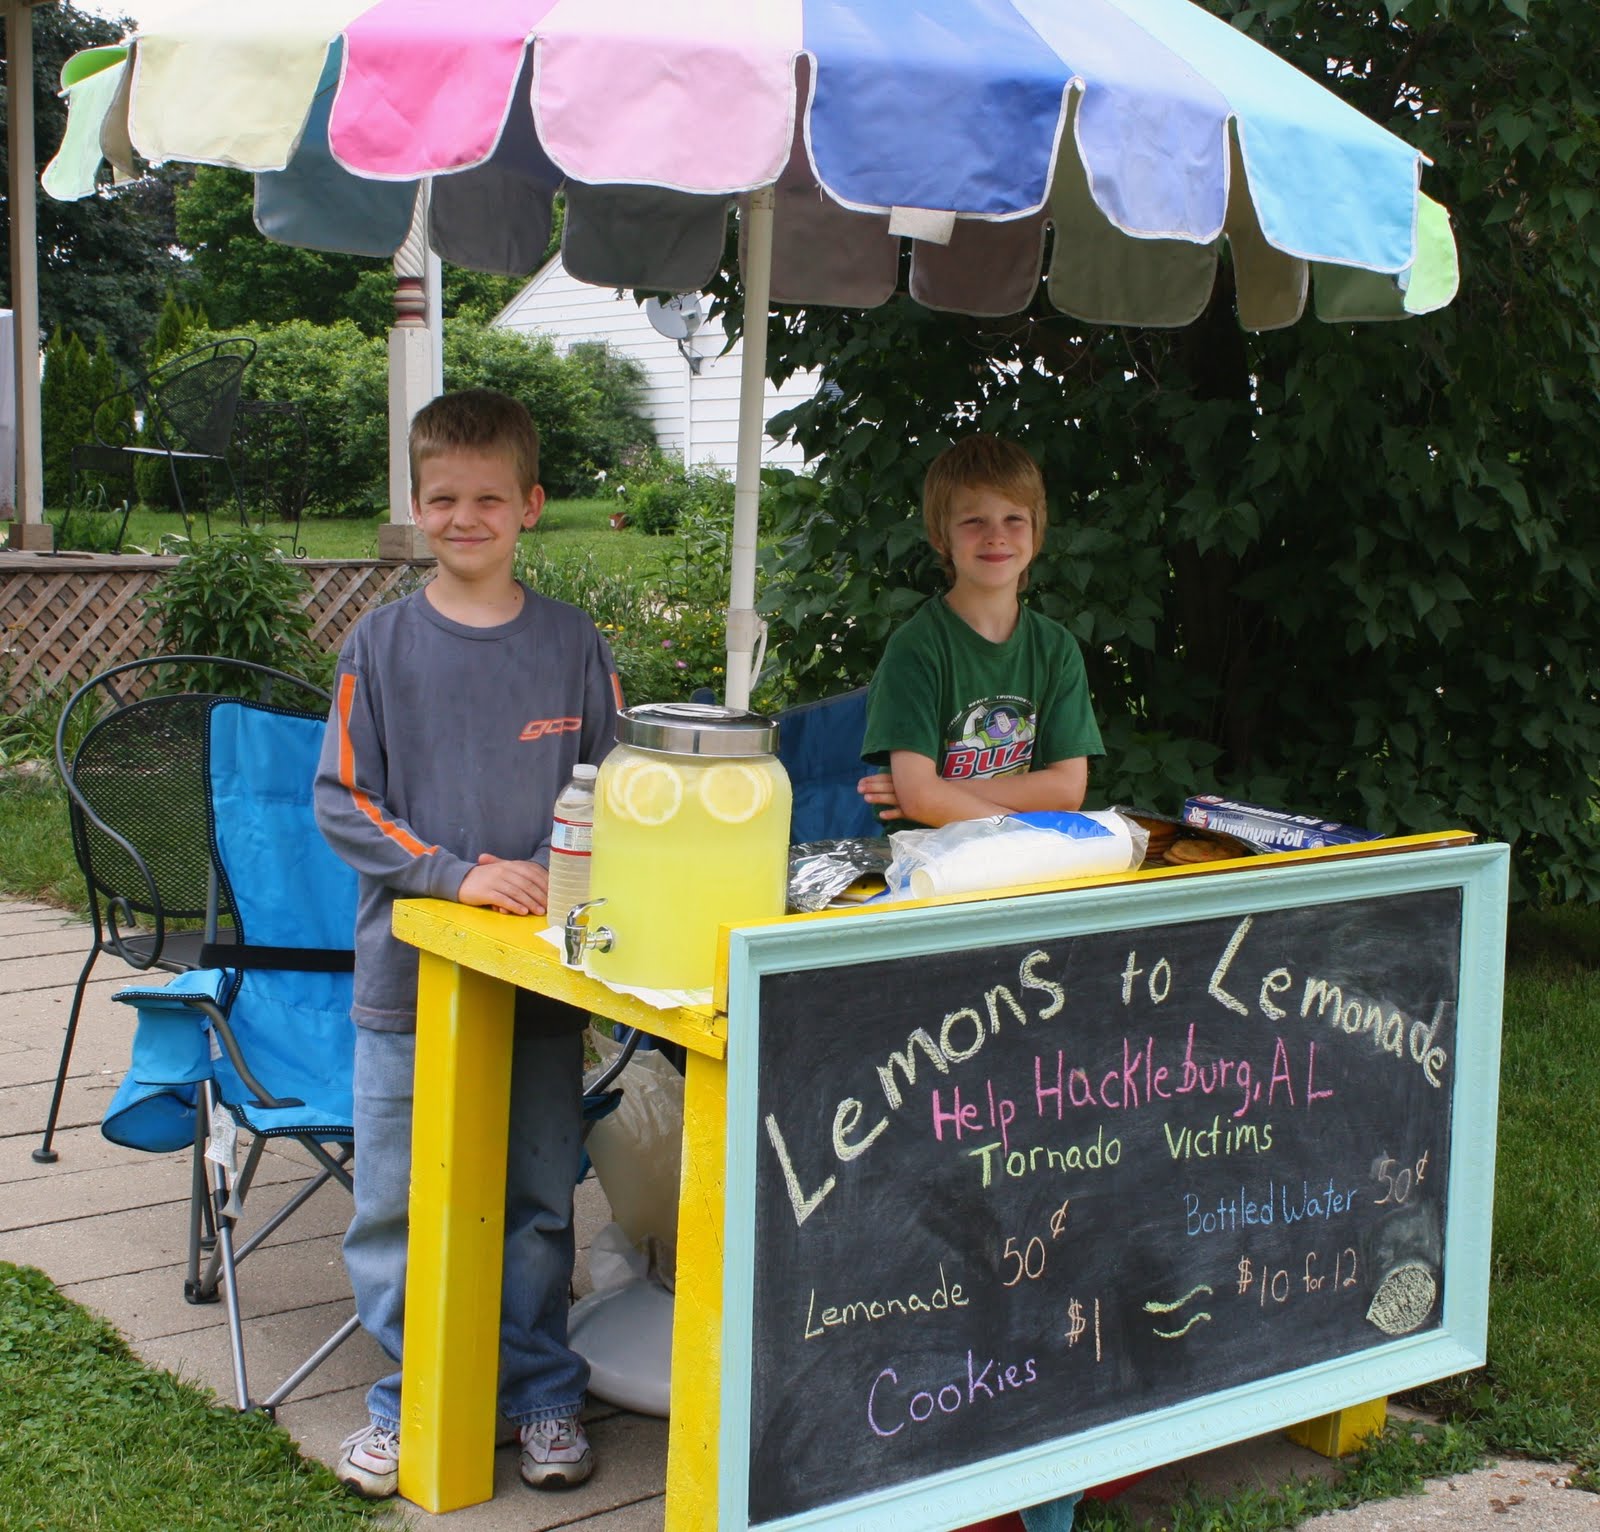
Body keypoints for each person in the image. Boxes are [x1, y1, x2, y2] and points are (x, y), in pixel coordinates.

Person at [313, 389, 621, 1500]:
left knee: (540, 1196)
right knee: (398, 1204)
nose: (465, 515)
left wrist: (561, 875)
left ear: (531, 506)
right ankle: (414, 1395)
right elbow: (344, 800)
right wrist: (458, 872)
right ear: (414, 504)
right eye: (443, 497)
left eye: (490, 496)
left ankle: (540, 1390)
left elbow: (613, 788)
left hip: (541, 995)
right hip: (409, 993)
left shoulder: (572, 643)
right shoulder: (380, 644)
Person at [858, 433, 1103, 828]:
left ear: (1036, 534)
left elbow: (1067, 790)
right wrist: (1027, 835)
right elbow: (920, 799)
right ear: (941, 536)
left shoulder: (1056, 648)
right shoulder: (916, 648)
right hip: (932, 866)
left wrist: (938, 792)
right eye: (974, 521)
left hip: (1021, 872)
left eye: (1014, 519)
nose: (996, 535)